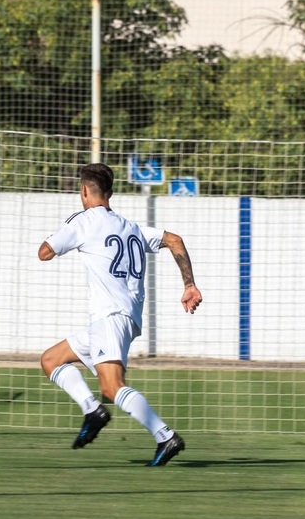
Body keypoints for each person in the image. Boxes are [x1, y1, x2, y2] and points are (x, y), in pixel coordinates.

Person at [37, 163, 202, 466]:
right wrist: (189, 285)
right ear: (110, 193)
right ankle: (92, 410)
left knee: (112, 388)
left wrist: (63, 231)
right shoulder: (132, 227)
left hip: (109, 317)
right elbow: (174, 240)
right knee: (51, 360)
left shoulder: (84, 222)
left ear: (84, 190)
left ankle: (165, 436)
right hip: (124, 318)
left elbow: (44, 252)